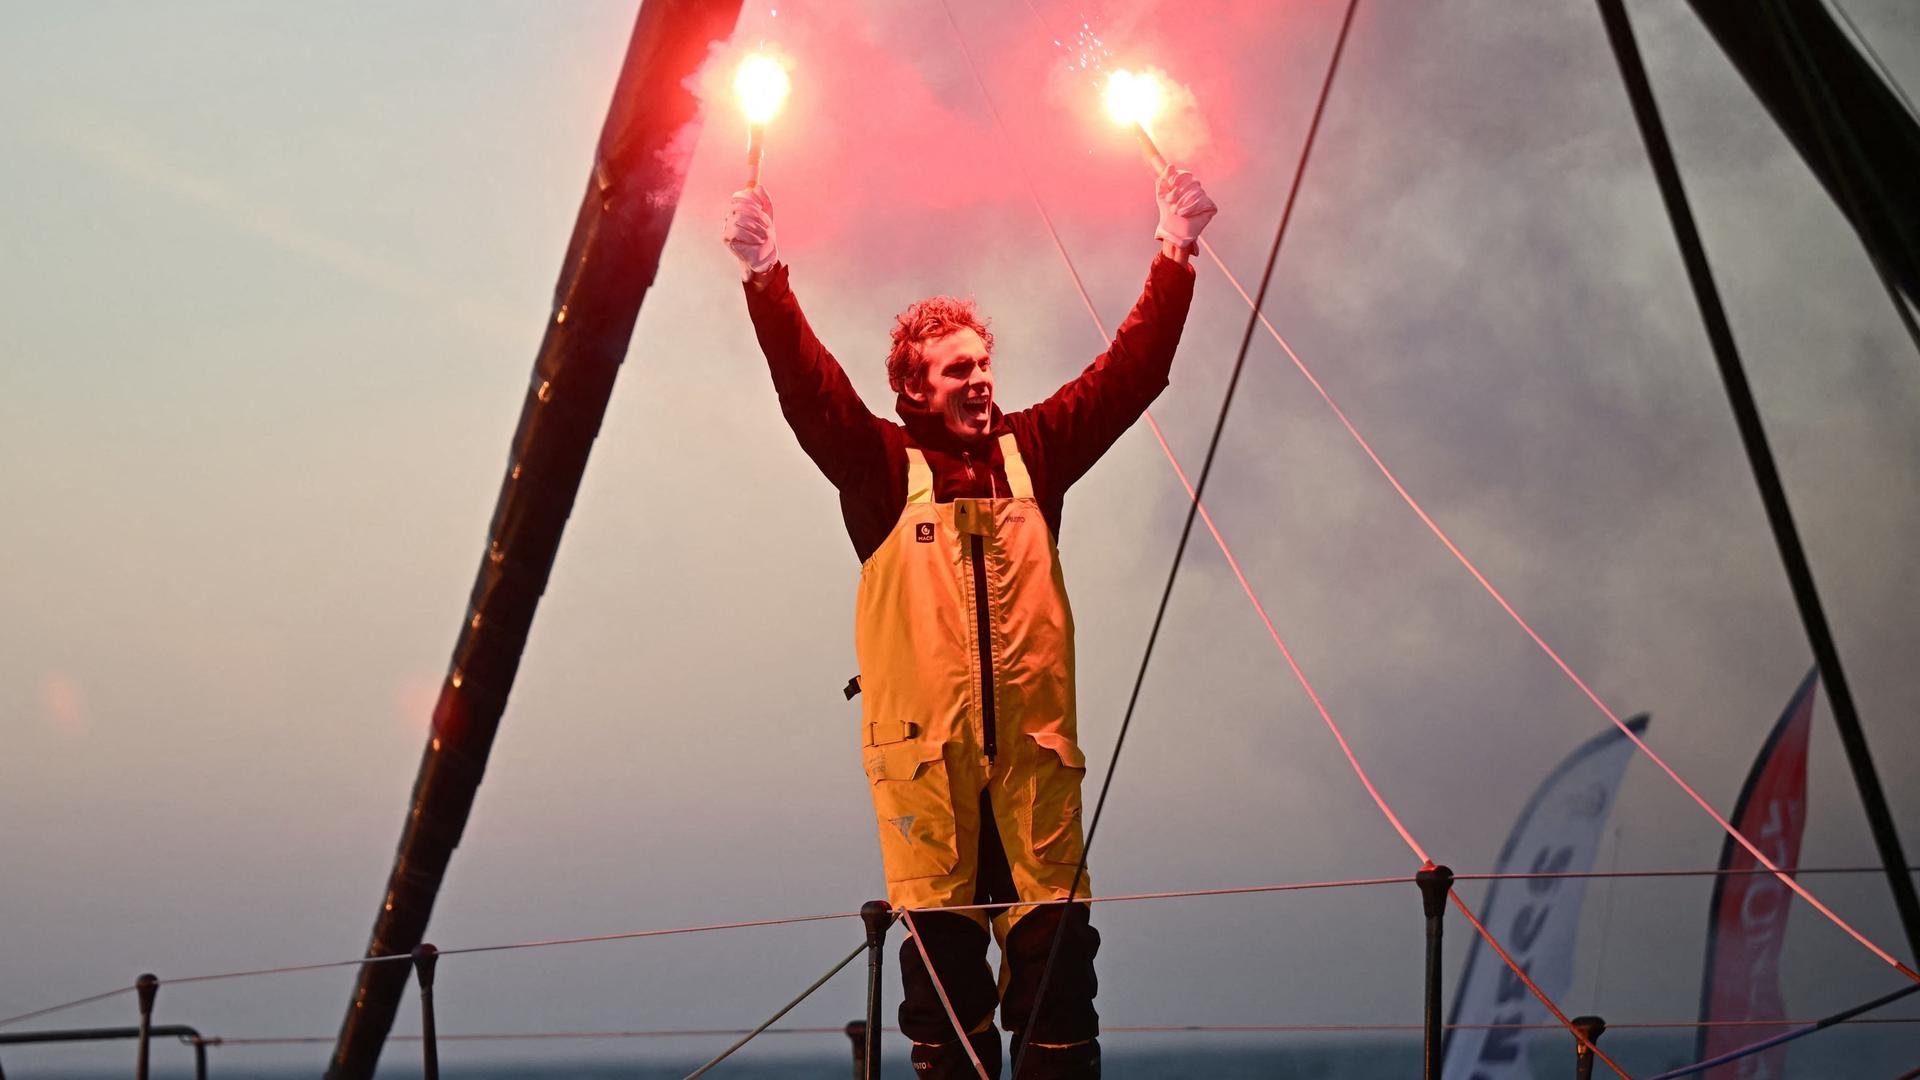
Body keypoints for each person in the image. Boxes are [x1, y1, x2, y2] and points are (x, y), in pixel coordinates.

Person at [723, 167, 1215, 1079]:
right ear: (915, 388)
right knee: (942, 1004)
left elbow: (1133, 373)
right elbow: (808, 389)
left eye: (986, 365)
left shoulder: (1038, 452)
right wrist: (767, 276)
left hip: (1035, 767)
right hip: (928, 774)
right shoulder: (876, 466)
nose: (982, 381)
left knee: (1062, 987)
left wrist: (1175, 250)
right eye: (959, 370)